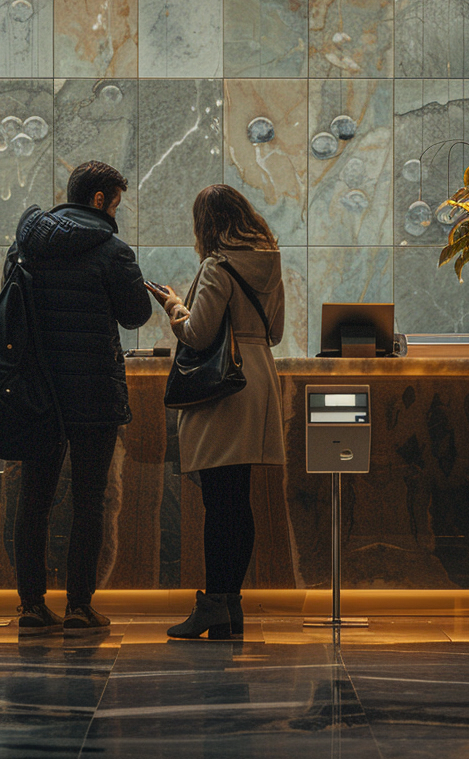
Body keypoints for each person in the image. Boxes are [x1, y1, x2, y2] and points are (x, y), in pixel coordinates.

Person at [5, 160, 152, 636]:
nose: (117, 212)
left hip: (38, 391)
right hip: (92, 391)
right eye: (116, 203)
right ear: (99, 199)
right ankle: (78, 607)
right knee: (89, 499)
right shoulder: (113, 251)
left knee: (34, 498)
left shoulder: (25, 244)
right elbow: (135, 316)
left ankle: (30, 605)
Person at [146, 184, 285, 640]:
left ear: (206, 225)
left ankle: (213, 606)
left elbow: (199, 334)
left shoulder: (216, 265)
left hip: (224, 389)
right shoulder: (270, 262)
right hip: (258, 377)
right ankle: (229, 605)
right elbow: (277, 331)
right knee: (236, 500)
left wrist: (173, 305)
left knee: (218, 503)